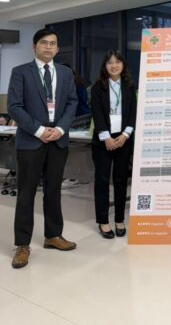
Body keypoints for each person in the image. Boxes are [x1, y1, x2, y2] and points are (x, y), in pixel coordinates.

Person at [7, 28, 78, 269]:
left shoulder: (65, 73)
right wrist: (39, 130)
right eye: (44, 43)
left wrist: (60, 129)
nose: (49, 47)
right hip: (31, 141)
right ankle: (22, 245)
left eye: (53, 43)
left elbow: (72, 102)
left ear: (57, 48)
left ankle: (53, 235)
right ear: (34, 46)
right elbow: (14, 106)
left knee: (54, 190)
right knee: (26, 194)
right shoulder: (20, 72)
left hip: (58, 141)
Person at [91, 50, 136, 239]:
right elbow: (97, 113)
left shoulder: (129, 86)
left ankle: (119, 219)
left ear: (123, 65)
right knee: (102, 181)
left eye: (117, 62)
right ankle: (103, 221)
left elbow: (133, 112)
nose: (114, 65)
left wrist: (125, 135)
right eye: (110, 62)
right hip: (104, 140)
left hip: (123, 140)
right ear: (105, 66)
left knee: (120, 180)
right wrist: (106, 137)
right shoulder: (98, 87)